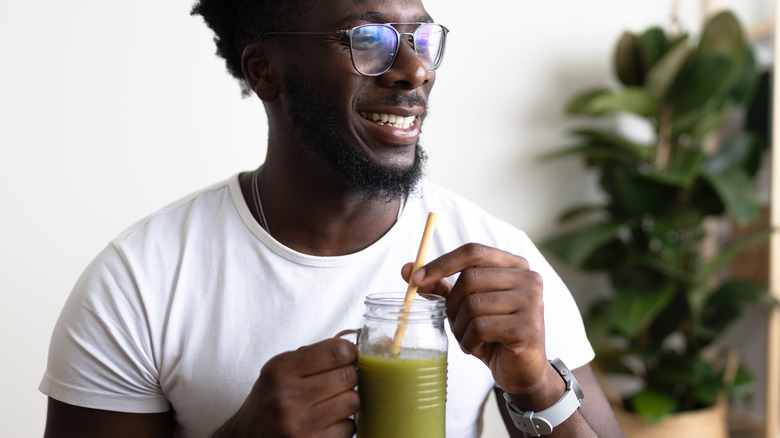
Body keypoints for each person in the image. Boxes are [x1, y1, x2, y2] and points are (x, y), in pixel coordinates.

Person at [40, 0, 626, 437]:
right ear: (265, 70)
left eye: (420, 38)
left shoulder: (495, 254)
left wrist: (536, 386)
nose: (414, 70)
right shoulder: (138, 281)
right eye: (367, 39)